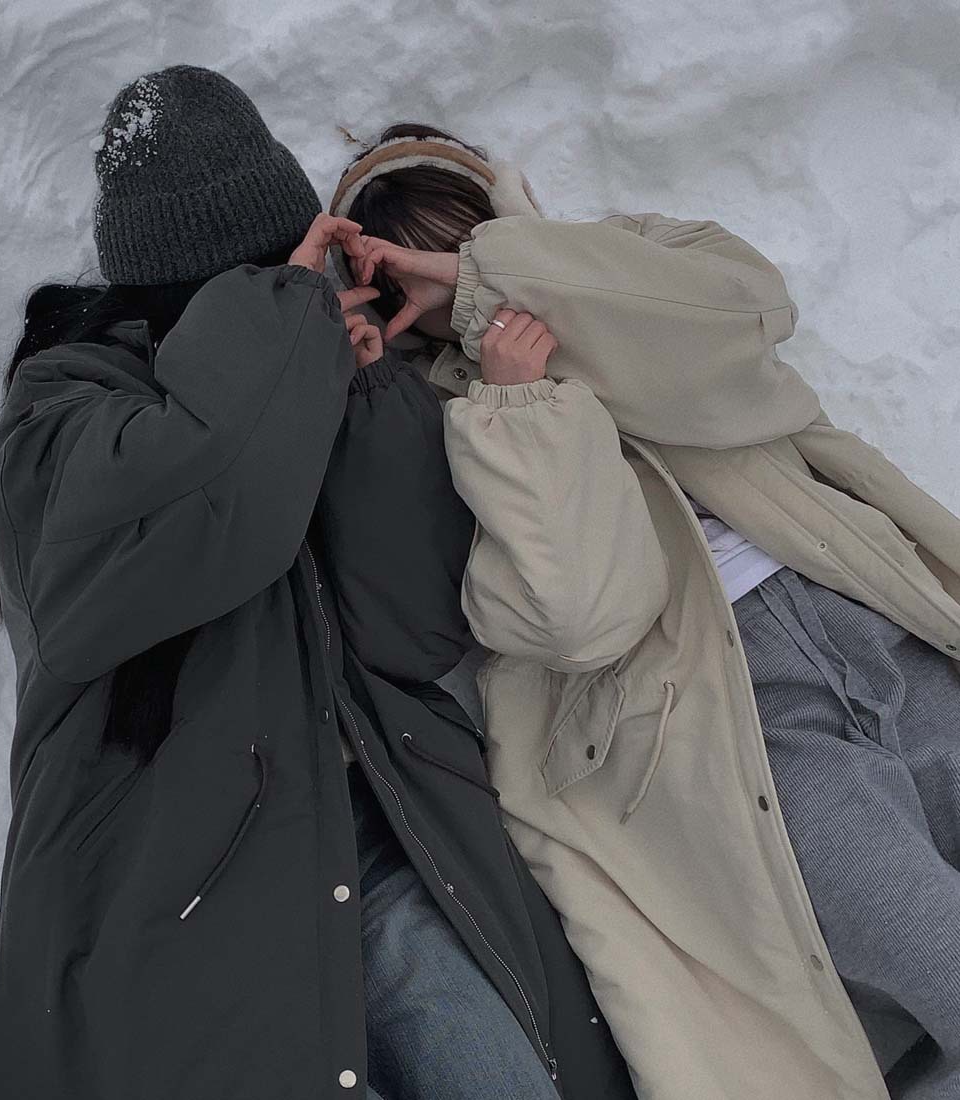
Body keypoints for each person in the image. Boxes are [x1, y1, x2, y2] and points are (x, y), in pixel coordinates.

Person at [0, 69, 634, 1100]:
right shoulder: (63, 409)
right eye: (272, 271)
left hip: (379, 845)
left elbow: (414, 628)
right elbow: (221, 513)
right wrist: (283, 323)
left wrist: (365, 396)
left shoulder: (295, 381)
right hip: (176, 882)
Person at [330, 124, 960, 1100]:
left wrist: (497, 280)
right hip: (739, 721)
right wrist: (521, 410)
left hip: (875, 615)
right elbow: (581, 615)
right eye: (413, 262)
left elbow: (747, 317)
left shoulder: (638, 262)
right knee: (939, 950)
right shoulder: (442, 423)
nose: (440, 273)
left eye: (459, 236)